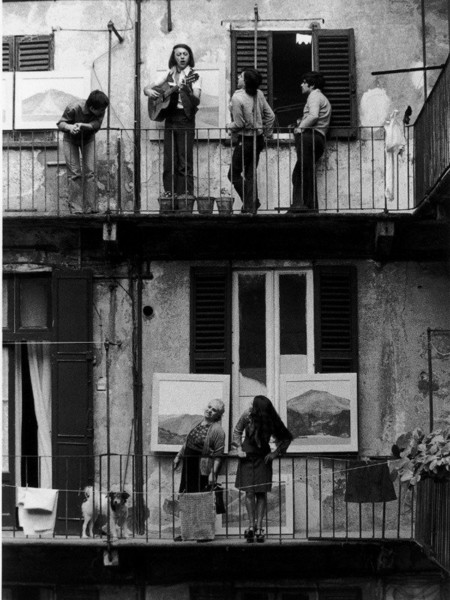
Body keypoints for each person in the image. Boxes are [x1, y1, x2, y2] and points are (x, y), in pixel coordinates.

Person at [144, 43, 201, 203]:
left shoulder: (194, 75)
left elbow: (196, 100)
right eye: (178, 54)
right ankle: (170, 195)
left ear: (189, 57)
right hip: (170, 119)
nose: (182, 57)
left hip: (185, 119)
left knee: (184, 160)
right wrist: (148, 90)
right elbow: (148, 87)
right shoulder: (168, 74)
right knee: (169, 160)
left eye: (185, 54)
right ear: (174, 57)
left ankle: (186, 197)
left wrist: (188, 89)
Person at [231, 395, 292, 543]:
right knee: (249, 492)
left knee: (261, 493)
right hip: (246, 458)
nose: (252, 406)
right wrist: (238, 448)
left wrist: (275, 453)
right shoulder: (247, 415)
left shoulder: (271, 419)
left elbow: (286, 438)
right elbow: (237, 431)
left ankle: (259, 527)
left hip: (263, 459)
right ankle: (251, 526)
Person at [226, 69, 275, 214]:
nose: (238, 78)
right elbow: (271, 116)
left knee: (233, 174)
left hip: (245, 140)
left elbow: (239, 124)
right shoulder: (258, 94)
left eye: (240, 76)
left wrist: (229, 126)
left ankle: (250, 202)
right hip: (258, 140)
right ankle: (251, 204)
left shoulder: (237, 98)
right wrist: (266, 133)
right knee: (250, 174)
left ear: (245, 82)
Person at [57, 89, 109, 214]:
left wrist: (81, 125)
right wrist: (70, 127)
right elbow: (60, 123)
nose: (103, 112)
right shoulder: (74, 107)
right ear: (92, 107)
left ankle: (91, 207)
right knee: (75, 173)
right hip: (70, 140)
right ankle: (76, 209)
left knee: (90, 172)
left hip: (88, 139)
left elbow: (96, 125)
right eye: (101, 110)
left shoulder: (101, 108)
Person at [290, 71, 331, 212]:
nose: (301, 85)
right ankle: (307, 206)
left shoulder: (314, 96)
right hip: (317, 138)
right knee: (303, 172)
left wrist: (299, 128)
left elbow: (313, 116)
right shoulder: (321, 97)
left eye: (304, 82)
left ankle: (301, 206)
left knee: (301, 173)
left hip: (310, 137)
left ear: (312, 85)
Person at [173, 398, 225, 493]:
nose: (209, 411)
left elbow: (218, 455)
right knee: (185, 493)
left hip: (201, 469)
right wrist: (178, 456)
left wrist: (213, 474)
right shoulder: (198, 423)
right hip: (188, 465)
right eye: (209, 407)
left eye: (214, 410)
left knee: (199, 496)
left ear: (218, 415)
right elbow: (187, 442)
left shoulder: (218, 430)